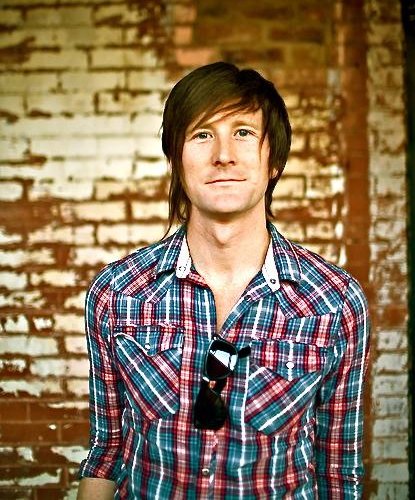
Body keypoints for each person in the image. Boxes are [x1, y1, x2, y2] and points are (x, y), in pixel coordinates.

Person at [77, 62, 370, 499]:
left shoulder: (335, 302)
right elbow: (106, 454)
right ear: (176, 159)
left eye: (244, 133)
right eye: (202, 134)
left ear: (274, 161)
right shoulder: (117, 293)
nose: (224, 155)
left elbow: (339, 473)